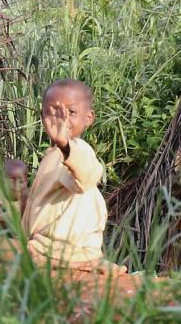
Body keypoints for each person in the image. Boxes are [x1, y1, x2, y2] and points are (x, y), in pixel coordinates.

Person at [21, 79, 123, 272]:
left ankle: (84, 263)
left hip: (65, 249)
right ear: (42, 116)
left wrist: (65, 145)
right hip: (47, 245)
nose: (61, 119)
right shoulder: (52, 155)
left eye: (71, 112)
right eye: (53, 112)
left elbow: (86, 177)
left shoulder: (77, 149)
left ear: (88, 118)